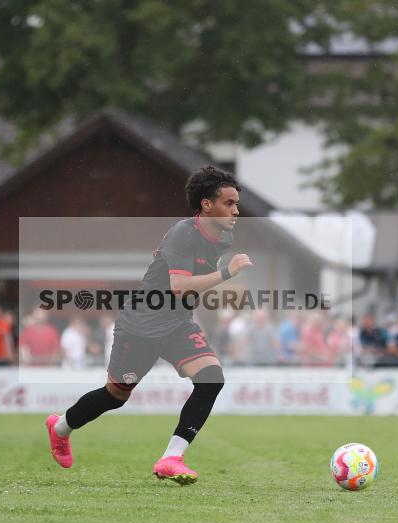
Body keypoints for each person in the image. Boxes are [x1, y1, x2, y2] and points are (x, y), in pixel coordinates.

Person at [45, 165, 250, 485]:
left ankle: (171, 458)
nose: (236, 211)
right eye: (229, 203)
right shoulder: (184, 233)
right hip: (141, 324)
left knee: (211, 379)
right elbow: (179, 287)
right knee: (115, 395)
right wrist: (227, 274)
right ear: (207, 205)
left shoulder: (223, 237)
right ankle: (60, 428)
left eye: (237, 203)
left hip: (178, 324)